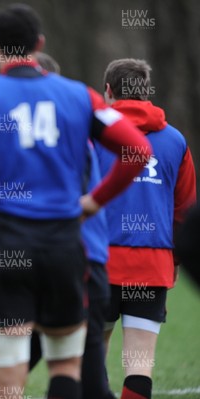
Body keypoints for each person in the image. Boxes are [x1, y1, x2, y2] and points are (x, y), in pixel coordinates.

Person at [0, 4, 151, 399]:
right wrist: (94, 202)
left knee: (8, 376)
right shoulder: (81, 96)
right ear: (39, 44)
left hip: (6, 245)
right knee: (64, 366)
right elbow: (137, 149)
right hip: (63, 246)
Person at [0, 52, 116, 399]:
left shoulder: (61, 140)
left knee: (17, 370)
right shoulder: (71, 132)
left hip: (71, 257)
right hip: (73, 261)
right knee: (77, 373)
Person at [96, 58, 196, 399]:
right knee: (140, 362)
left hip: (99, 259)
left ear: (108, 91)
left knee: (92, 358)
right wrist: (177, 259)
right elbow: (185, 210)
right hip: (153, 264)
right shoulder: (176, 141)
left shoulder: (94, 136)